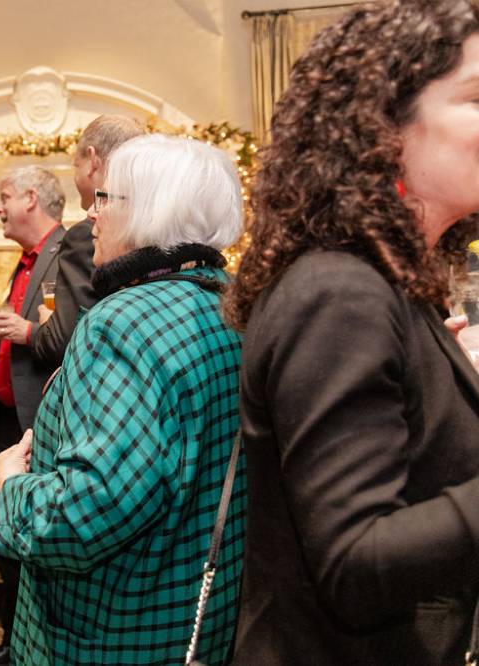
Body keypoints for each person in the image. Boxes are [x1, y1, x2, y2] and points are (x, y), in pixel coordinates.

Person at [222, 1, 479, 662]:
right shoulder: (340, 290)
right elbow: (356, 564)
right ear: (384, 125)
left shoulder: (389, 282)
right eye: (477, 96)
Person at [0, 134, 245, 665]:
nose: (91, 213)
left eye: (103, 198)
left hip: (106, 631)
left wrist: (13, 487)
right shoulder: (230, 302)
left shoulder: (124, 322)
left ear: (145, 211)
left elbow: (83, 516)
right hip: (193, 618)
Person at [0, 166, 66, 666]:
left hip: (38, 423)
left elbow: (66, 333)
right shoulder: (24, 262)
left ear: (31, 198)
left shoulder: (67, 253)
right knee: (5, 532)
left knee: (30, 534)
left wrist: (26, 329)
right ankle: (14, 641)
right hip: (7, 418)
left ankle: (25, 646)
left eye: (5, 197)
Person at [32, 114, 142, 368]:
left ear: (93, 160)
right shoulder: (149, 225)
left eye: (75, 166)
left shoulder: (88, 234)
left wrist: (45, 325)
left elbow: (62, 344)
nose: (75, 177)